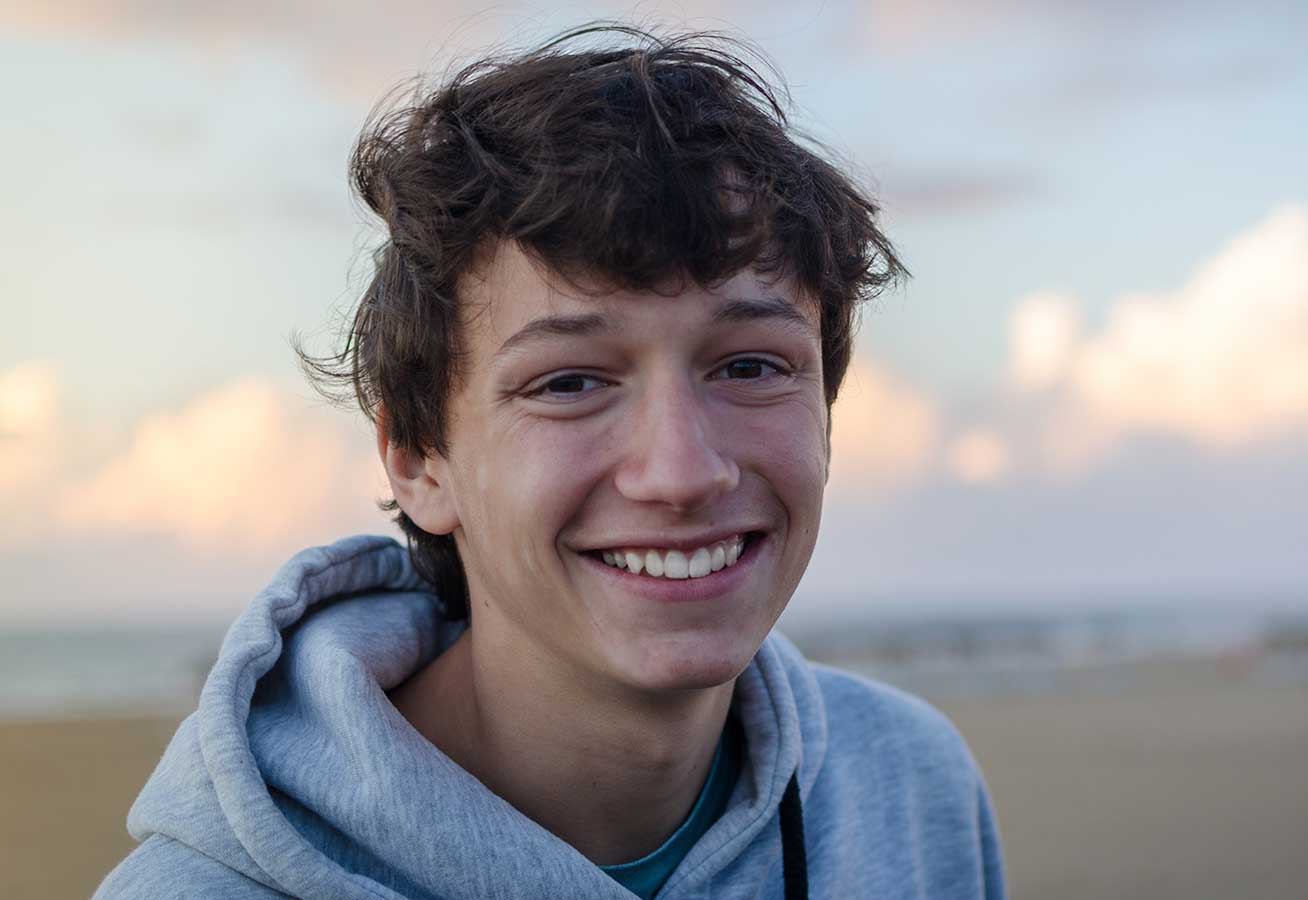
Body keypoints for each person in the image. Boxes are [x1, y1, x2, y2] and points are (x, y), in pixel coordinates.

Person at [96, 24, 1006, 900]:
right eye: (570, 382)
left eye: (751, 366)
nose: (682, 473)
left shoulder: (911, 793)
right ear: (420, 463)